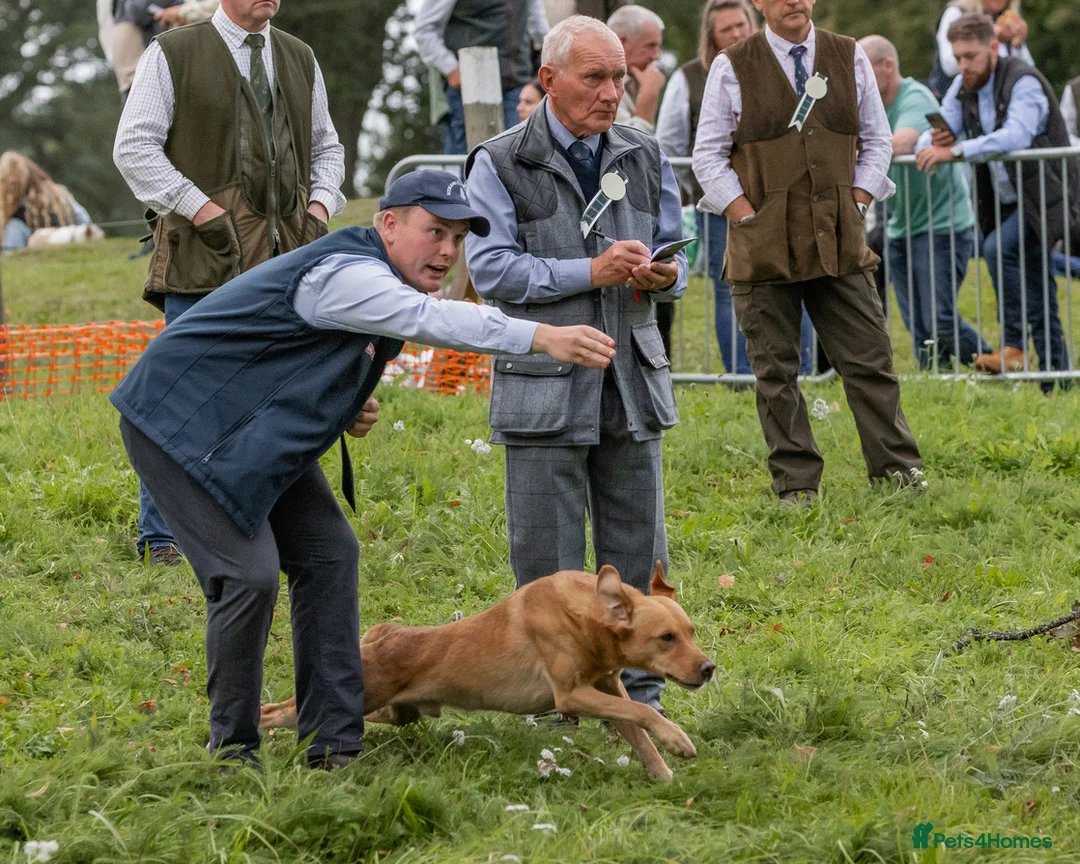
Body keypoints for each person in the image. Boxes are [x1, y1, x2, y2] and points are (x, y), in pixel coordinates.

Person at [110, 170, 617, 769]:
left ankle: (332, 744)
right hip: (176, 424)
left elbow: (292, 352)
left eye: (458, 238)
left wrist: (345, 400)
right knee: (247, 578)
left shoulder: (376, 278)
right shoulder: (349, 273)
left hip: (245, 431)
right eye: (435, 231)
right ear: (389, 224)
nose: (448, 251)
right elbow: (430, 319)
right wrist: (540, 335)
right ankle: (234, 751)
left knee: (330, 555)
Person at [464, 15, 687, 712]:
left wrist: (664, 276)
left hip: (632, 378)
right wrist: (589, 271)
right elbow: (492, 271)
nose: (612, 92)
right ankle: (556, 705)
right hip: (544, 387)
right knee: (548, 560)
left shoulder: (644, 153)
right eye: (595, 77)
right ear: (548, 79)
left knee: (639, 544)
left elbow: (679, 254)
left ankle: (643, 696)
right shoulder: (499, 161)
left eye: (620, 77)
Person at [113, 0, 347, 566]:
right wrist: (204, 212)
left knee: (278, 397)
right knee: (180, 399)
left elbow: (327, 148)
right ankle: (162, 538)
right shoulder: (172, 51)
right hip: (203, 258)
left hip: (284, 263)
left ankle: (260, 520)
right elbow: (134, 148)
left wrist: (317, 209)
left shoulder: (299, 55)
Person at [692, 0, 922, 504]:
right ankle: (796, 485)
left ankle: (899, 476)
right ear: (758, 2)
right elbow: (707, 155)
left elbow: (878, 139)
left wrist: (857, 201)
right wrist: (744, 214)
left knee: (870, 361)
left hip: (839, 239)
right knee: (776, 373)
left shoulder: (849, 55)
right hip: (762, 247)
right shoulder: (731, 66)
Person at [915, 13, 1076, 383]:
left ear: (992, 48)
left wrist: (956, 151)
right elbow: (934, 132)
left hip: (1046, 196)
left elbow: (1016, 135)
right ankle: (1057, 378)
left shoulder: (1023, 81)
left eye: (970, 56)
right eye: (958, 57)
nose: (963, 66)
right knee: (1037, 285)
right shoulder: (963, 85)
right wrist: (934, 140)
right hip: (1004, 199)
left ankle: (1014, 346)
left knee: (996, 248)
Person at [656, 0, 813, 376]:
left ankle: (803, 371)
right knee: (731, 288)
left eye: (740, 24)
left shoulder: (784, 64)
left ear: (752, 21)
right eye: (725, 29)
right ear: (711, 37)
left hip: (784, 199)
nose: (736, 33)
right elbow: (670, 143)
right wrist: (701, 188)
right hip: (721, 206)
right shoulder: (688, 78)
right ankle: (743, 374)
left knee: (798, 281)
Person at [860, 35, 991, 370]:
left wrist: (858, 152)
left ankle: (999, 364)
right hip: (900, 225)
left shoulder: (914, 96)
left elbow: (902, 143)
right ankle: (938, 384)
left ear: (887, 66)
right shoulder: (869, 106)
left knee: (939, 321)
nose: (856, 78)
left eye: (862, 68)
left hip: (941, 224)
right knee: (918, 327)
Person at [415, 0, 550, 155]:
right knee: (469, 160)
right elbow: (424, 29)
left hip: (516, 87)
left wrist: (555, 59)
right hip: (468, 92)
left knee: (517, 157)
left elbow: (538, 25)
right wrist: (450, 69)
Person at [928, 0, 1033, 100]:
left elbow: (1028, 72)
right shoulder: (956, 13)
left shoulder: (1007, 22)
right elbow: (949, 67)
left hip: (997, 101)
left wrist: (1017, 45)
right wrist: (991, 38)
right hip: (952, 97)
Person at [0, 152, 92, 252]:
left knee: (13, 228)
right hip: (70, 250)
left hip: (38, 255)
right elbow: (85, 225)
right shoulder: (59, 196)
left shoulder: (15, 219)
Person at [606, 5, 665, 135]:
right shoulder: (603, 84)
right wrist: (649, 95)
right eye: (650, 46)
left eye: (657, 47)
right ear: (621, 42)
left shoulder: (638, 79)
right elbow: (631, 142)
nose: (656, 56)